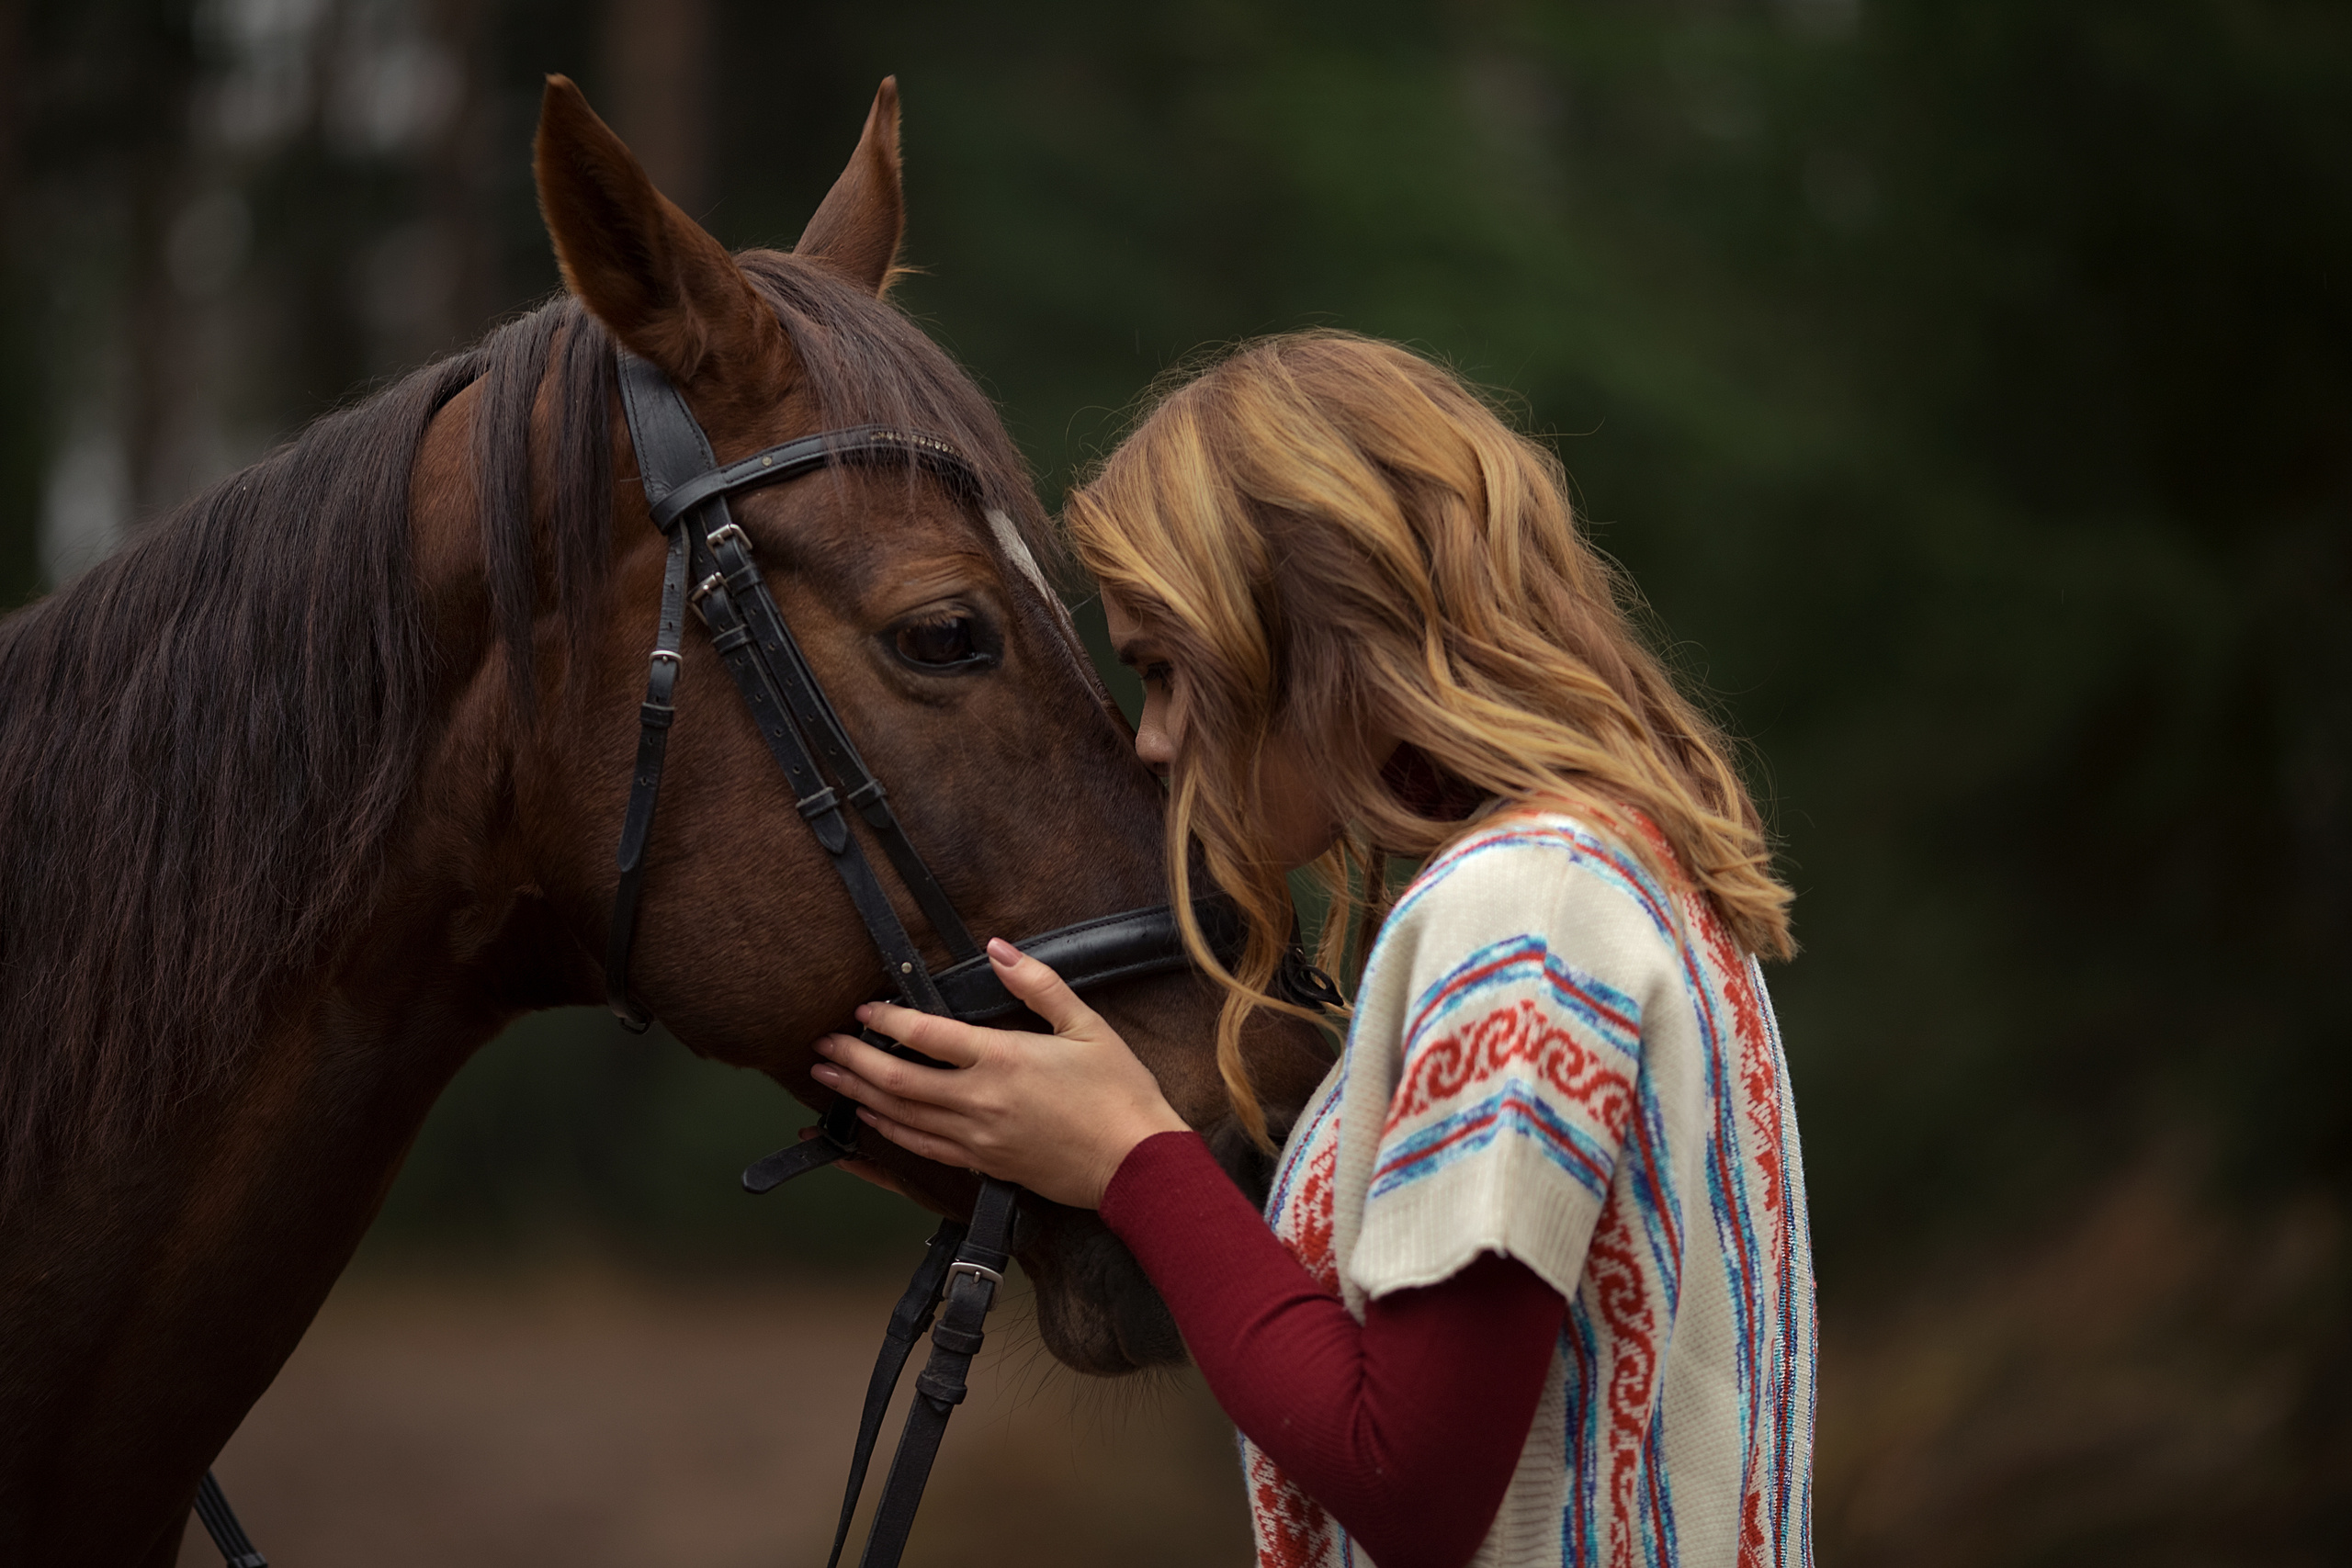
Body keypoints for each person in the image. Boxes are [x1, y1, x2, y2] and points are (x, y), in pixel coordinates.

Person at [810, 330, 1814, 1568]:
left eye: (1168, 670)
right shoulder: (1630, 877)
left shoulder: (1526, 913)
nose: (1154, 742)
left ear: (1316, 632)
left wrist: (1131, 1159)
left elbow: (1407, 1479)